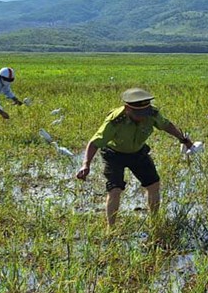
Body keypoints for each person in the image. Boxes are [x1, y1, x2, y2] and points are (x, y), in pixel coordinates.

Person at [76, 88, 193, 227]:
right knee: (115, 190)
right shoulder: (114, 121)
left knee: (153, 185)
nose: (143, 117)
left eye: (145, 112)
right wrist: (86, 164)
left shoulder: (152, 113)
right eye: (138, 113)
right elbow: (94, 143)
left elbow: (166, 125)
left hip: (138, 153)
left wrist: (183, 139)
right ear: (127, 109)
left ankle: (154, 221)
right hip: (114, 155)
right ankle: (111, 228)